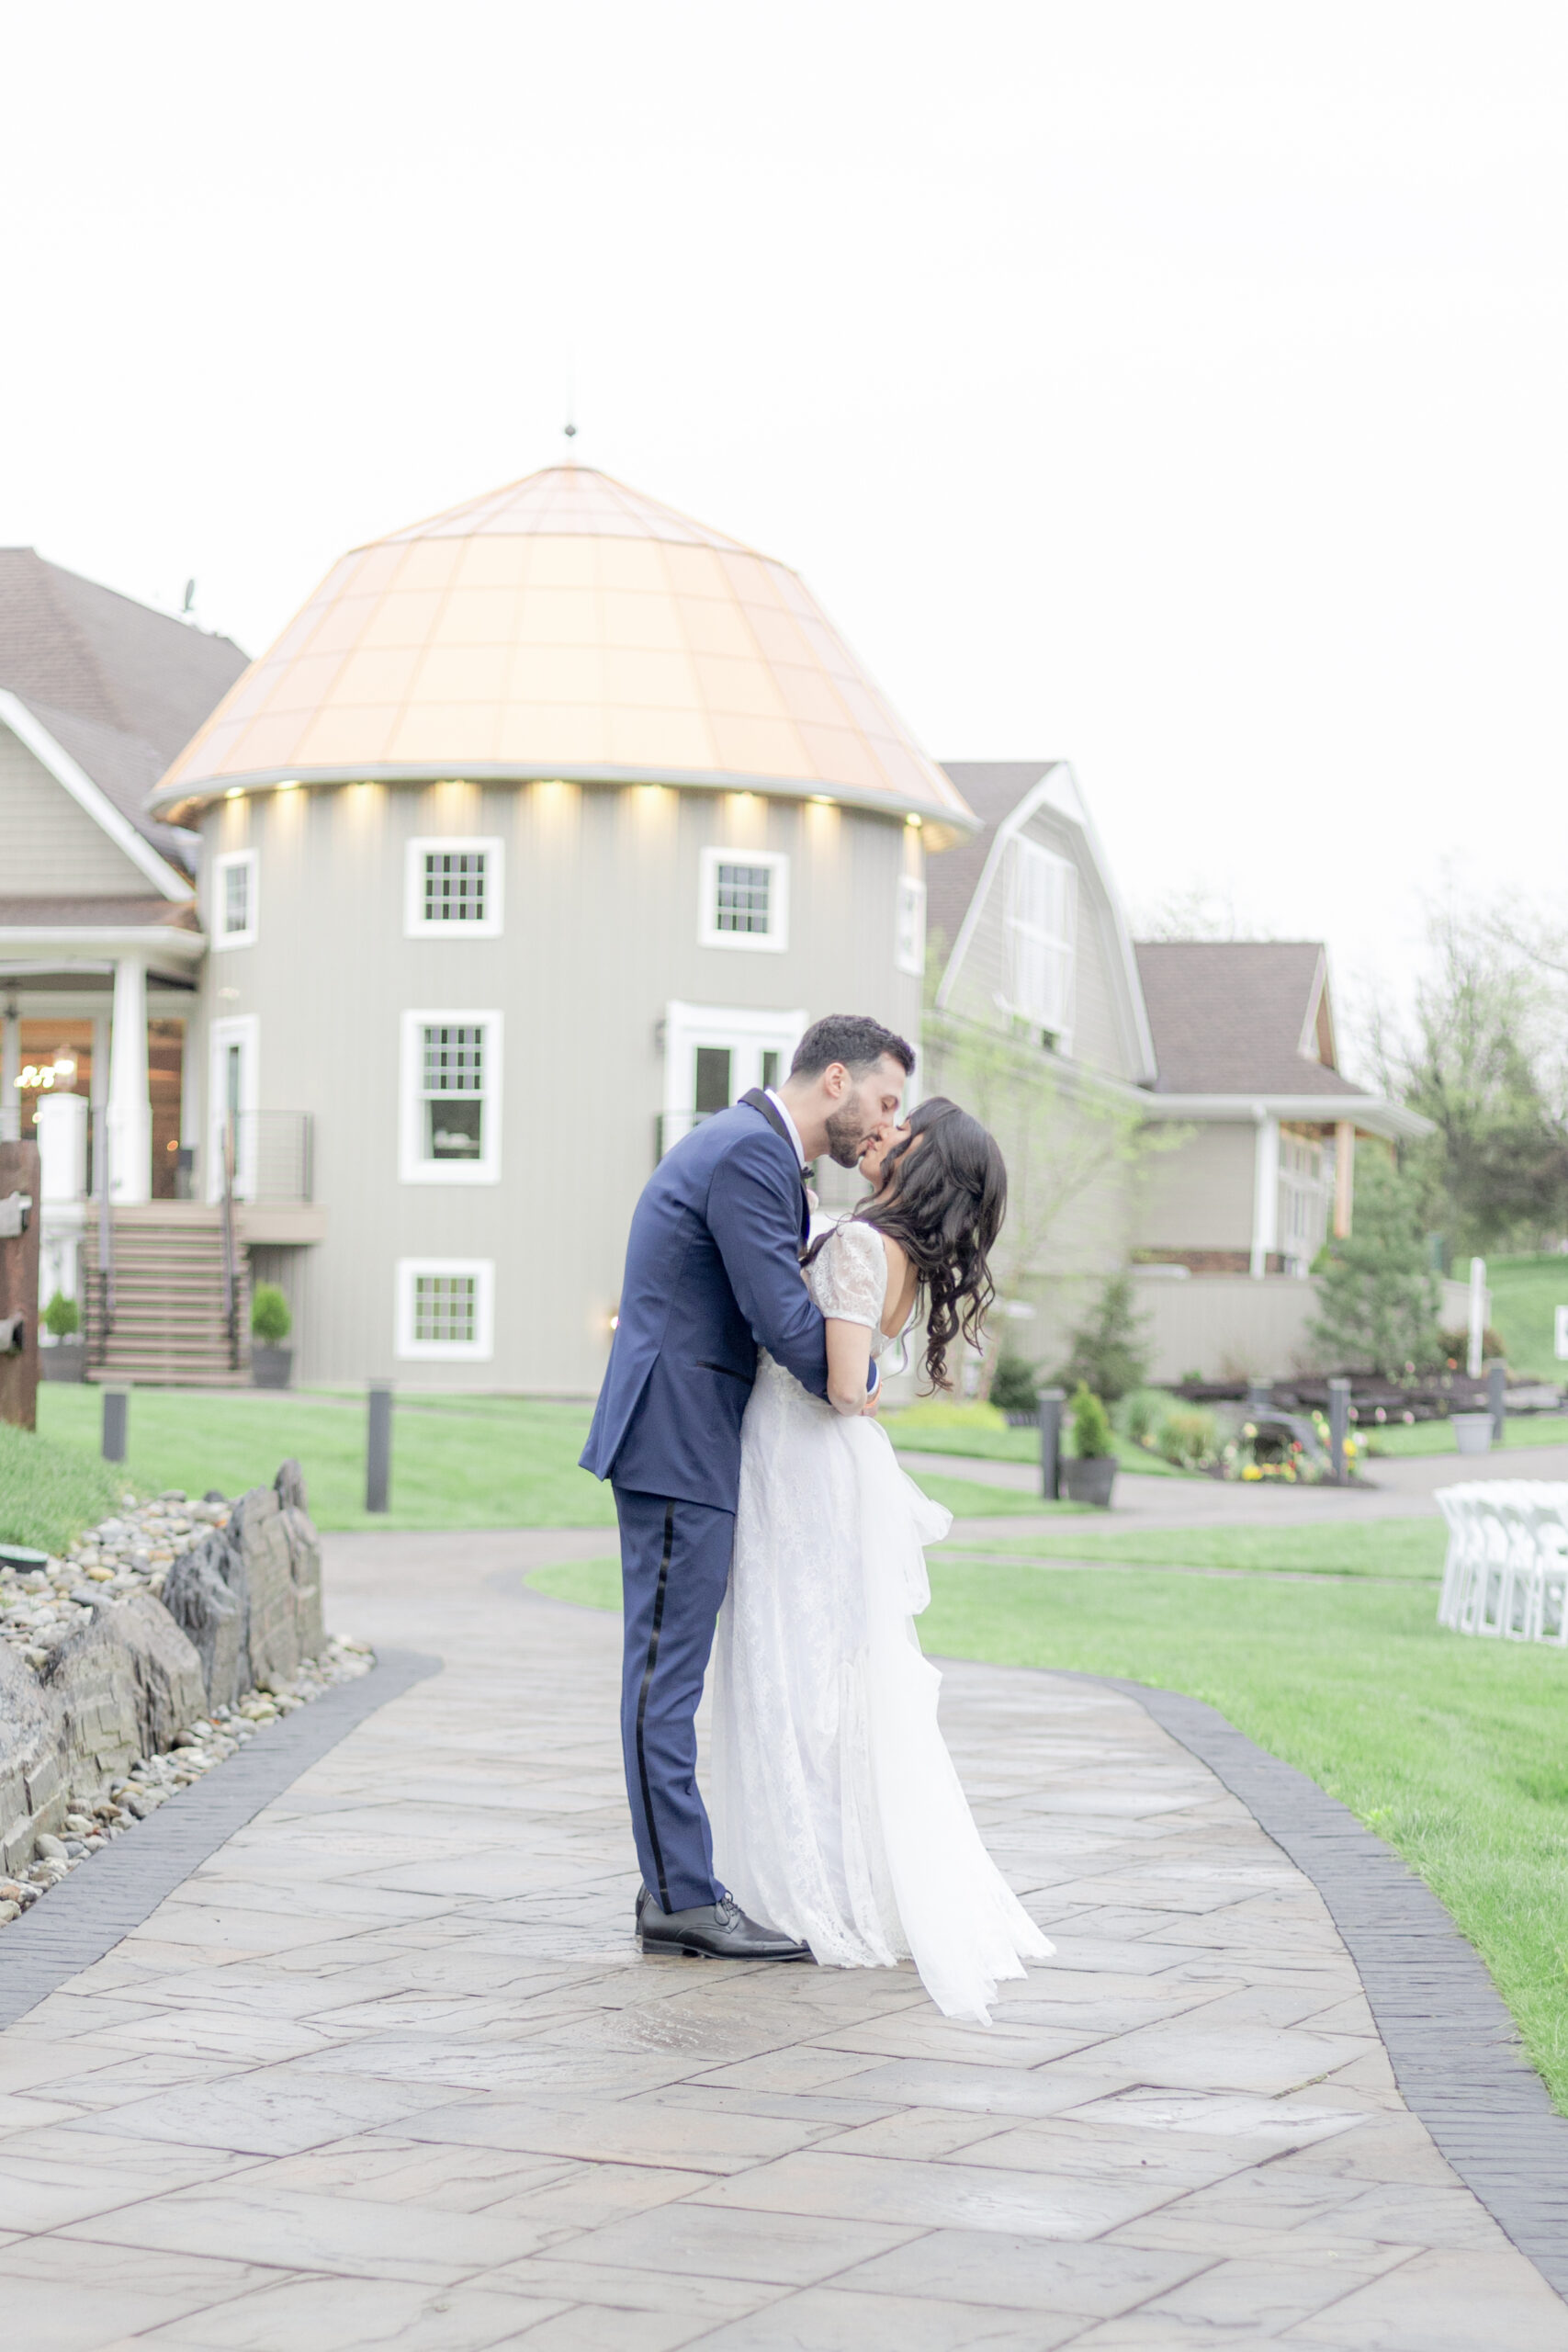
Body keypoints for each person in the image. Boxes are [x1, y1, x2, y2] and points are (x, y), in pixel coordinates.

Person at [709, 1095, 1054, 2022]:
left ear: (925, 1164)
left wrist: (852, 1386)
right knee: (815, 1669)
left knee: (796, 1667)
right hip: (817, 1462)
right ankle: (816, 1867)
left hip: (800, 1458)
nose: (885, 1136)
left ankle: (810, 1885)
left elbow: (845, 1379)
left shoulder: (864, 1244)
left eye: (906, 1134)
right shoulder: (896, 1251)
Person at [580, 1013, 913, 1961]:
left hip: (690, 1436)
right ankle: (683, 1894)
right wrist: (864, 1382)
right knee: (664, 1671)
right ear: (836, 1080)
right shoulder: (750, 1156)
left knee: (666, 1667)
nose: (884, 1127)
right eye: (884, 1103)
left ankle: (673, 1888)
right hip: (677, 1439)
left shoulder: (758, 1154)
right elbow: (781, 1318)